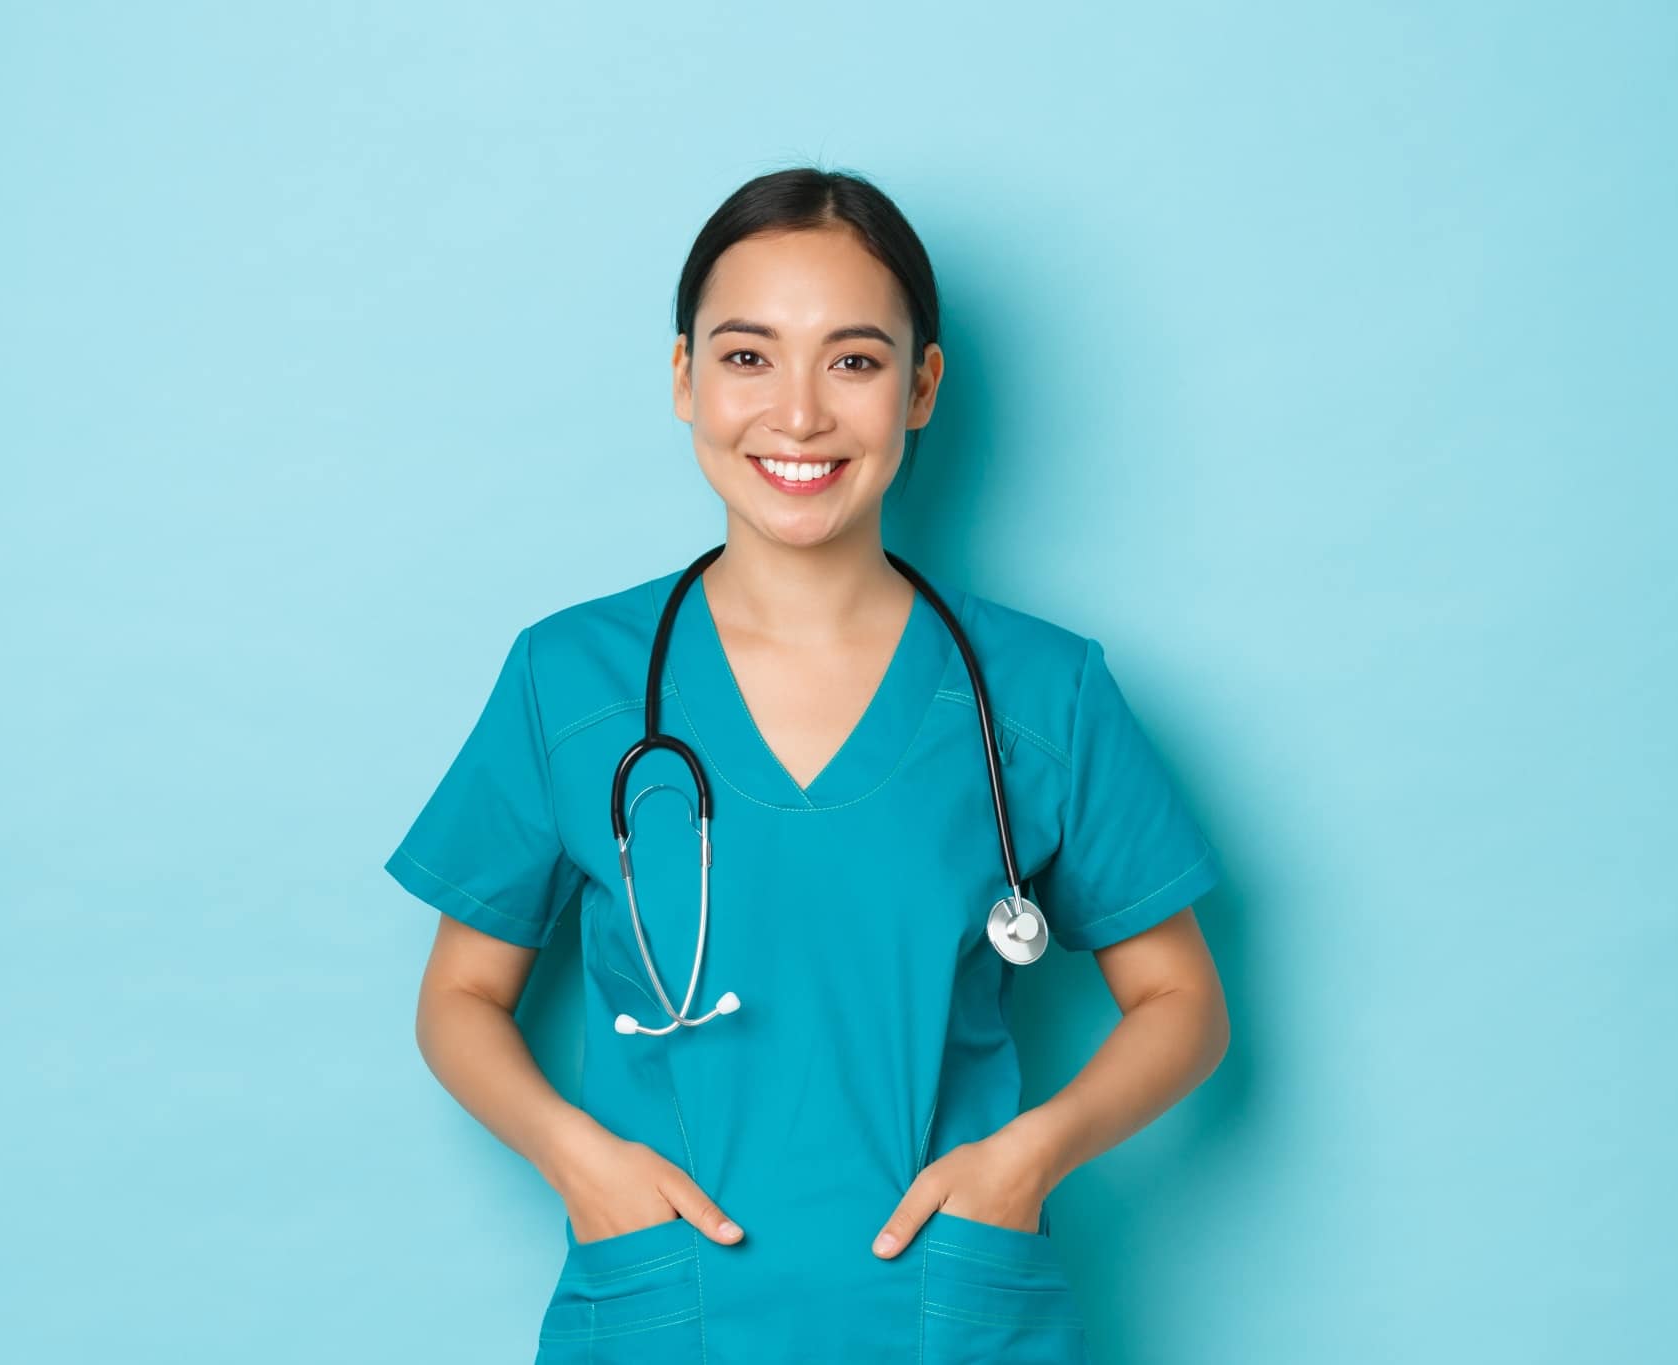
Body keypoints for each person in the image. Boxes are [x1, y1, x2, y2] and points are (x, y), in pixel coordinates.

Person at [384, 165, 1231, 1363]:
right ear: (682, 378)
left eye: (853, 361)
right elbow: (459, 997)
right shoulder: (568, 679)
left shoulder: (1043, 691)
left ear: (919, 388)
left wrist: (1029, 1157)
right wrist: (577, 1161)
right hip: (668, 1311)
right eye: (746, 356)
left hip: (948, 1316)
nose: (797, 415)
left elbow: (1181, 1002)